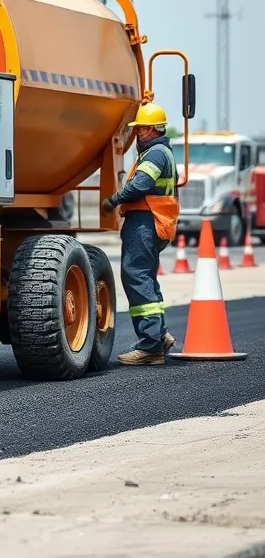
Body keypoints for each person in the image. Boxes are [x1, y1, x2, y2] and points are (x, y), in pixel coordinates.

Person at [101, 102, 180, 365]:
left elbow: (141, 185)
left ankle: (150, 347)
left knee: (136, 275)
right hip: (151, 220)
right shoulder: (159, 152)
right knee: (145, 277)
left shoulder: (156, 153)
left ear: (156, 129)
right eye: (139, 129)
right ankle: (160, 335)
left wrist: (114, 199)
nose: (139, 133)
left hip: (146, 220)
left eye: (144, 129)